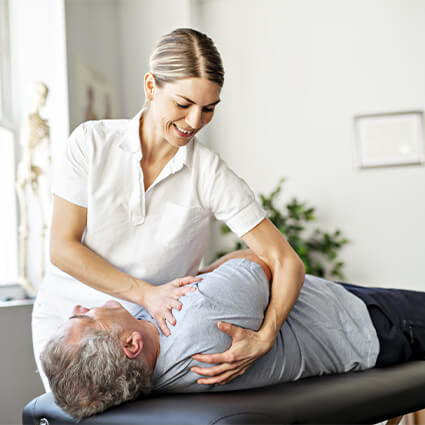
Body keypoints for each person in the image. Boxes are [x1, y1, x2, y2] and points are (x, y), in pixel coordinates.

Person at [32, 28, 305, 391]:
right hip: (70, 324)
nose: (195, 121)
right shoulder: (91, 143)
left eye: (208, 108)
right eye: (183, 103)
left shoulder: (209, 173)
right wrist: (145, 292)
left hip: (144, 336)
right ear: (150, 87)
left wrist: (266, 336)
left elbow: (287, 261)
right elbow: (63, 249)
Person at [41, 249, 425, 420]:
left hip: (341, 309)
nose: (80, 307)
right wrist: (209, 277)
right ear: (130, 345)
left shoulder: (143, 368)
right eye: (86, 319)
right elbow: (263, 258)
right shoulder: (202, 321)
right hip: (367, 323)